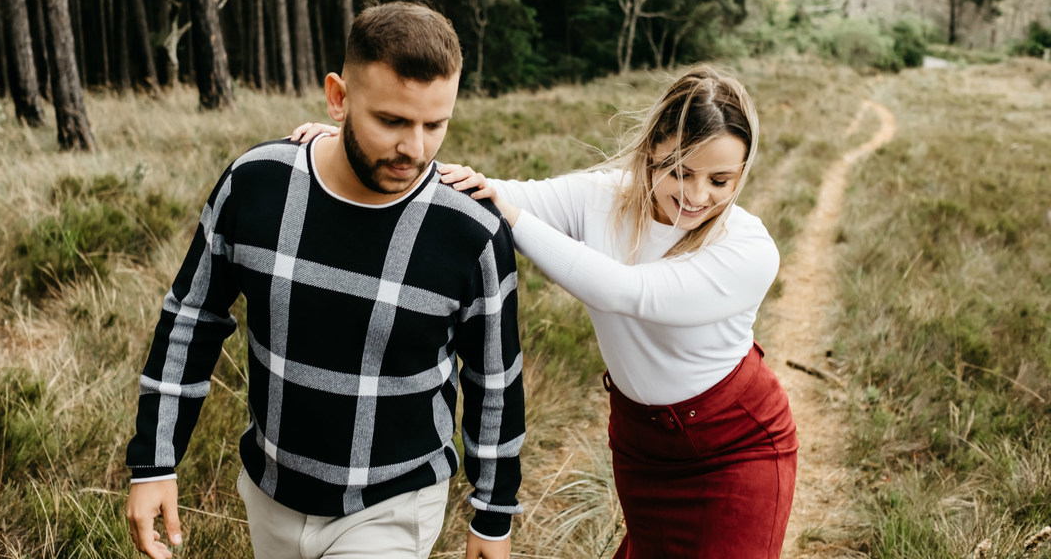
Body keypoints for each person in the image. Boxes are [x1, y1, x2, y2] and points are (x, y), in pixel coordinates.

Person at [293, 65, 796, 558]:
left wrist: (514, 220)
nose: (696, 194)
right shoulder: (606, 197)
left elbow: (627, 292)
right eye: (680, 171)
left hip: (735, 447)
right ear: (650, 152)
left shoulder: (748, 249)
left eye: (721, 180)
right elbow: (490, 193)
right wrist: (352, 150)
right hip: (641, 445)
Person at [126, 2, 524, 559]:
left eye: (435, 125)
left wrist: (494, 514)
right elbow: (191, 319)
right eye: (391, 121)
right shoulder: (256, 184)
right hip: (272, 494)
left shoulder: (470, 231)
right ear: (339, 98)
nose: (415, 149)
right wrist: (154, 460)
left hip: (394, 504)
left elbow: (495, 382)